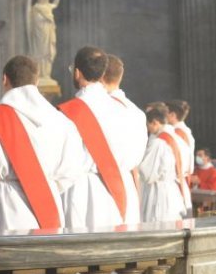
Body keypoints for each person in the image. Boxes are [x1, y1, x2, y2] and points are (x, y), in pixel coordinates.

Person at [0, 55, 85, 233]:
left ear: (5, 79)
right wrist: (44, 184)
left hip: (3, 204)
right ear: (36, 81)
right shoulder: (61, 120)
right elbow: (71, 170)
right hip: (46, 201)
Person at [61, 47, 145, 231]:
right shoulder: (129, 111)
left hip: (83, 190)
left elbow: (61, 162)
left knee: (83, 253)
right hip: (121, 187)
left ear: (77, 72)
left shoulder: (68, 113)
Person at [102, 53, 146, 224]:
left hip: (104, 184)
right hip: (127, 182)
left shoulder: (98, 109)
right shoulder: (136, 112)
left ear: (101, 76)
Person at [138, 105, 189, 222]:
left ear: (155, 122)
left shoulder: (158, 143)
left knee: (157, 224)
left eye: (148, 125)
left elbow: (147, 174)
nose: (148, 129)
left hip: (158, 191)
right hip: (173, 187)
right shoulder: (177, 137)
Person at [27, 0, 66, 81]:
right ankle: (39, 74)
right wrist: (46, 18)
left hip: (49, 33)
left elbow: (55, 4)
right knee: (40, 53)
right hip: (39, 34)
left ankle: (46, 75)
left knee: (49, 53)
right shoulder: (36, 7)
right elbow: (34, 21)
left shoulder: (48, 6)